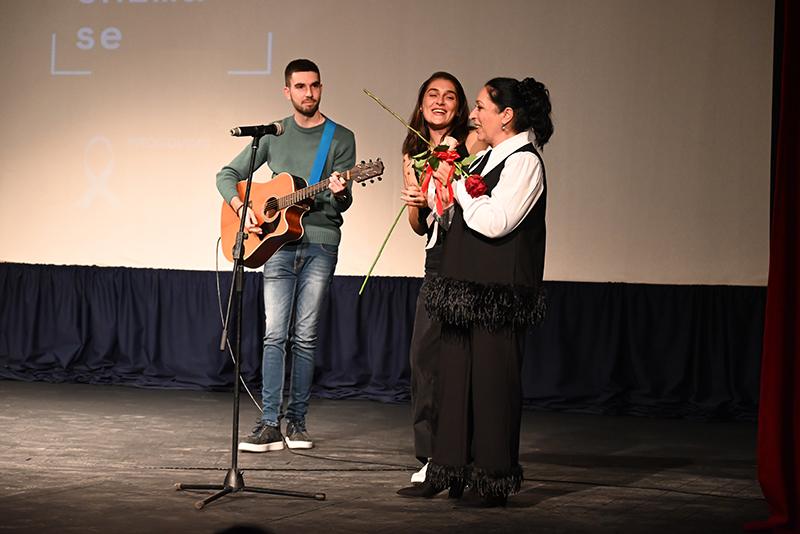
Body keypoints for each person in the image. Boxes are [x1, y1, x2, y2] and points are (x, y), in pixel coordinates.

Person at [419, 76, 554, 507]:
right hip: (464, 289)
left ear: (506, 115)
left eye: (480, 107)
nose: (473, 115)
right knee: (454, 384)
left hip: (498, 294)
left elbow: (496, 222)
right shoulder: (484, 158)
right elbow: (451, 215)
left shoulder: (524, 163)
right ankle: (450, 469)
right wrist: (440, 183)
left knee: (493, 388)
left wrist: (459, 187)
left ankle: (492, 479)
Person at [216, 59, 356, 452]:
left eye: (314, 86)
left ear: (321, 88)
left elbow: (342, 203)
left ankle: (297, 423)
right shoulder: (273, 134)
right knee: (274, 334)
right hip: (276, 244)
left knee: (305, 337)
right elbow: (226, 175)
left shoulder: (340, 138)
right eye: (300, 86)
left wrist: (341, 191)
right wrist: (244, 210)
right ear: (287, 91)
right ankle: (268, 424)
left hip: (320, 244)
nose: (309, 93)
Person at [396, 72, 472, 489]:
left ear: (459, 107)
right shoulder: (412, 152)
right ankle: (430, 456)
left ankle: (462, 453)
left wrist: (449, 162)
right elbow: (417, 225)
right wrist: (414, 202)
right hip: (436, 258)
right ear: (421, 102)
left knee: (462, 361)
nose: (440, 102)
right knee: (423, 359)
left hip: (470, 256)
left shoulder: (471, 144)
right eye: (432, 94)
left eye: (450, 96)